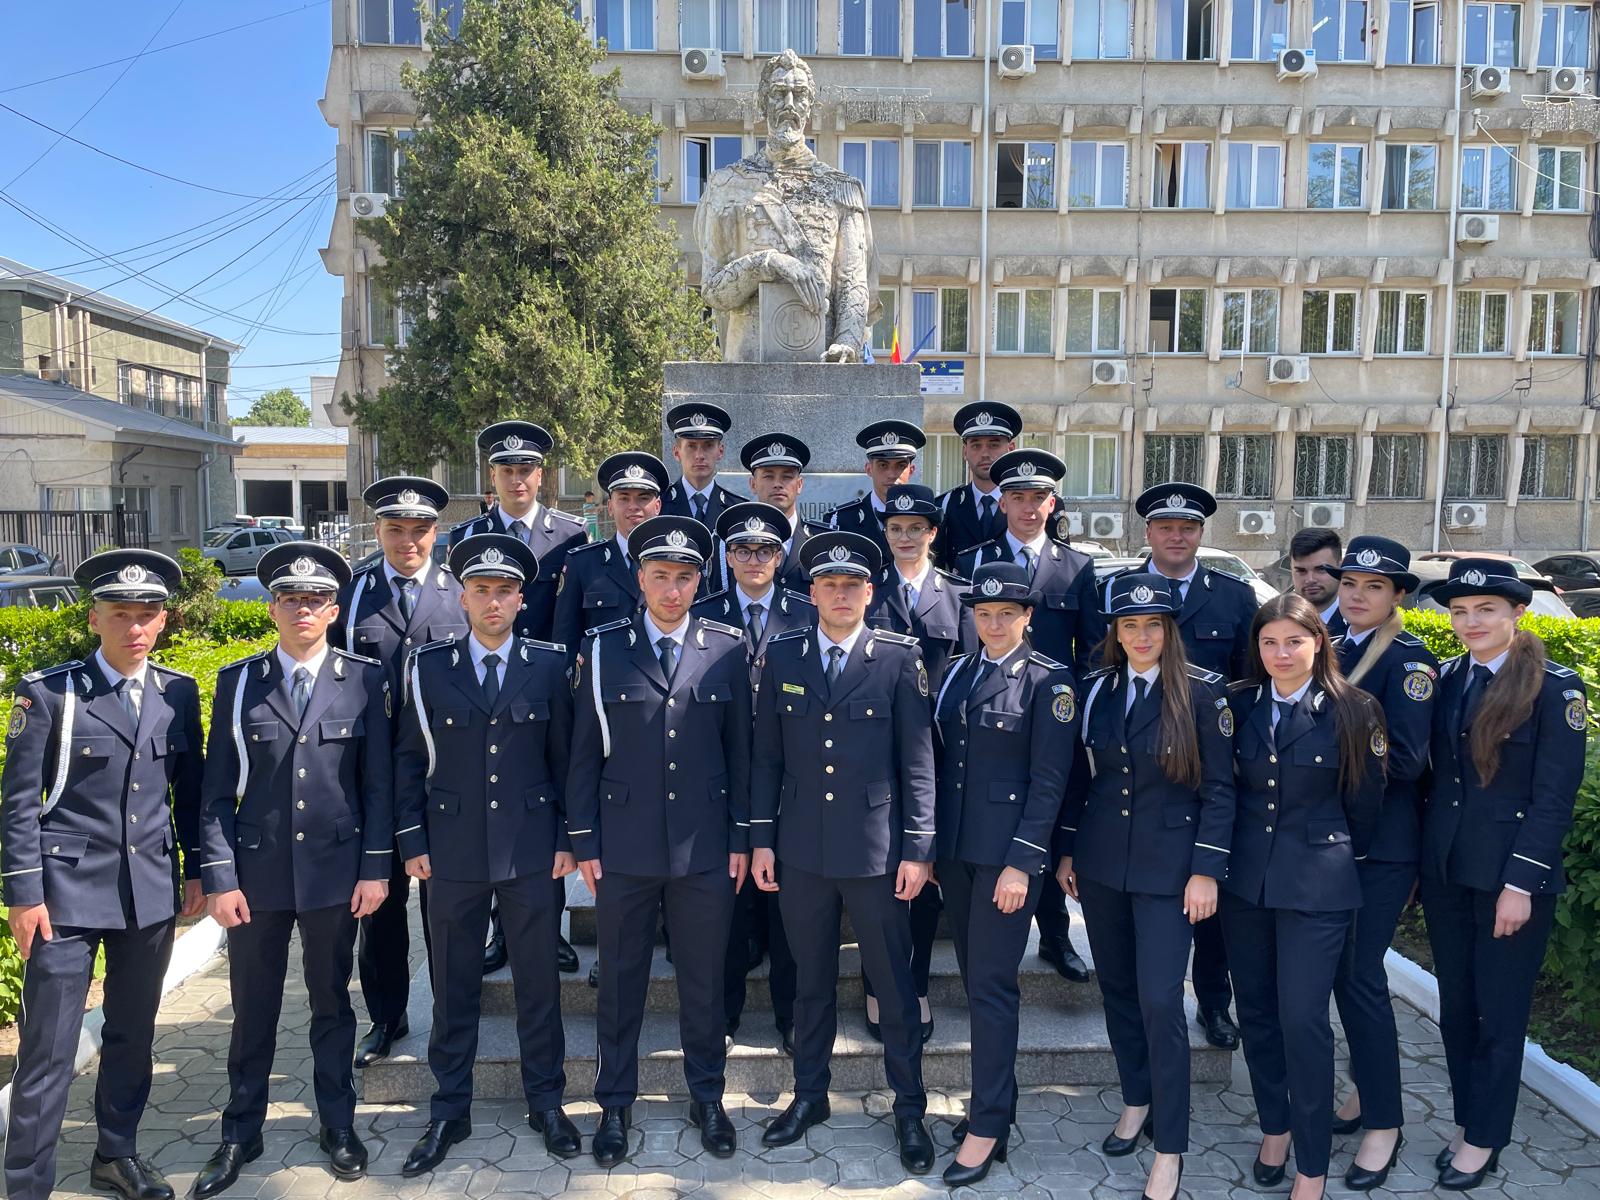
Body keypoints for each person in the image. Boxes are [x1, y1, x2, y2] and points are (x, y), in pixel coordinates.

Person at [192, 543, 394, 1196]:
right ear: (273, 609)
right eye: (290, 600)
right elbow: (216, 792)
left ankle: (338, 1123)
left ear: (334, 610)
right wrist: (220, 878)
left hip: (335, 872)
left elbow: (378, 786)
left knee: (333, 1003)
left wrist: (375, 869)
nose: (303, 609)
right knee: (253, 1006)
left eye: (315, 600)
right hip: (258, 877)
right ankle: (240, 1130)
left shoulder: (364, 680)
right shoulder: (239, 682)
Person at [1, 550, 203, 1200]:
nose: (135, 627)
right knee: (48, 1050)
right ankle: (27, 1182)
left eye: (147, 614)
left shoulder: (177, 692)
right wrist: (23, 894)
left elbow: (190, 796)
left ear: (164, 619)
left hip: (148, 894)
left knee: (132, 1035)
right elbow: (19, 803)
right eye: (120, 614)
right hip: (64, 898)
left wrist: (197, 871)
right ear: (94, 618)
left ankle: (116, 1155)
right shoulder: (50, 693)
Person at [392, 534, 581, 1174]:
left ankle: (546, 1101)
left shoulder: (550, 665)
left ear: (522, 599)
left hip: (532, 850)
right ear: (463, 598)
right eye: (481, 590)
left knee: (538, 983)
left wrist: (567, 839)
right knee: (453, 985)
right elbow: (408, 759)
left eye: (505, 591)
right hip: (451, 851)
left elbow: (566, 761)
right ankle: (450, 1108)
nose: (493, 601)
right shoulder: (427, 666)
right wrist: (412, 840)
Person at [750, 531, 938, 1176]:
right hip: (802, 850)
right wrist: (762, 839)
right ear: (811, 593)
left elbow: (918, 762)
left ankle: (909, 1108)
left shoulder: (898, 658)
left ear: (869, 592)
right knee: (810, 984)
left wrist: (918, 849)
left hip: (877, 853)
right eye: (828, 585)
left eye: (851, 585)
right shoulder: (785, 654)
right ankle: (810, 1095)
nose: (839, 594)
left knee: (894, 986)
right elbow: (767, 758)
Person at [567, 515, 752, 1165]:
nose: (673, 590)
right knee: (621, 981)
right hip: (624, 845)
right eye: (660, 576)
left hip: (705, 846)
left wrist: (741, 837)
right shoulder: (602, 648)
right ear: (639, 578)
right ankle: (614, 1103)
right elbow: (583, 754)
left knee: (704, 978)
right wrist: (585, 841)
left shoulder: (726, 648)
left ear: (700, 581)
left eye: (684, 577)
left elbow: (742, 753)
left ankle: (707, 1096)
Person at [1056, 573, 1235, 1200]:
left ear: (1169, 630)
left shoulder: (1203, 694)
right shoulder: (1097, 689)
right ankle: (1137, 1097)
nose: (1140, 636)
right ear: (1115, 631)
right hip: (1103, 864)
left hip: (1172, 871)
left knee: (1161, 999)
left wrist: (1207, 869)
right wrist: (1069, 850)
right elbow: (1082, 779)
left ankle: (1171, 1146)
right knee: (1119, 990)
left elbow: (1221, 790)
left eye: (1151, 625)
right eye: (1128, 625)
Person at [1422, 558, 1587, 1190]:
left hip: (1510, 881)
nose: (1470, 622)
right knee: (1458, 1008)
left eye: (1485, 610)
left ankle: (1485, 1138)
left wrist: (1520, 884)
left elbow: (1553, 799)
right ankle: (1469, 1119)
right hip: (1450, 871)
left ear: (1518, 612)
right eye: (1459, 611)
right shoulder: (1449, 677)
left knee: (1499, 1012)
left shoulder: (1553, 688)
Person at [1221, 594, 1385, 1200]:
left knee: (1303, 1018)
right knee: (1257, 1012)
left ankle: (1312, 1163)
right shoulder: (1237, 703)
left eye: (1294, 641)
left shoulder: (1354, 709)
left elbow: (1365, 804)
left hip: (1318, 884)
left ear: (1318, 643)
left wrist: (1334, 857)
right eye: (1269, 642)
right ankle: (1276, 1128)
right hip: (1247, 883)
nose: (1281, 653)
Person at [935, 562, 1078, 1186]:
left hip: (1006, 863)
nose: (993, 624)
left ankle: (989, 1124)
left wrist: (1023, 862)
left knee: (992, 989)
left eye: (1006, 614)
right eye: (983, 613)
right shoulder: (959, 671)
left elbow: (1050, 783)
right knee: (977, 984)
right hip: (959, 854)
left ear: (1027, 617)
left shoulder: (1049, 681)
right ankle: (998, 1102)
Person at [1108, 482, 1260, 1051]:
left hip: (1209, 763)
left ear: (1200, 534)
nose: (1177, 536)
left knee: (1209, 904)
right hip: (1141, 769)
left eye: (1188, 528)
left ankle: (1214, 1003)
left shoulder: (1233, 596)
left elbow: (1248, 679)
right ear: (1148, 532)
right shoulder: (1117, 590)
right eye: (1166, 527)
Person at [332, 476, 471, 1067]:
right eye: (395, 530)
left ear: (436, 533)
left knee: (446, 906)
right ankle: (387, 1017)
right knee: (379, 907)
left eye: (419, 530)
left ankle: (452, 1017)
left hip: (442, 774)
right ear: (378, 531)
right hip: (370, 773)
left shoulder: (460, 592)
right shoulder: (352, 593)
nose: (407, 541)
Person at [954, 448, 1100, 985]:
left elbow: (1092, 649)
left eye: (1038, 498)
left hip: (1055, 715)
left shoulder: (1077, 566)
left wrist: (1076, 711)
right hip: (997, 714)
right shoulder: (974, 561)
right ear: (1002, 503)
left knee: (1054, 819)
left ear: (1051, 503)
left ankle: (1056, 935)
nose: (1028, 507)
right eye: (1017, 497)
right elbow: (968, 641)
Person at [450, 424, 589, 978]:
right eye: (506, 470)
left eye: (526, 470)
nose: (517, 479)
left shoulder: (570, 535)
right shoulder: (466, 536)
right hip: (484, 685)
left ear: (541, 475)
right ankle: (499, 932)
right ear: (493, 475)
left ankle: (547, 932)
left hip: (542, 688)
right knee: (493, 805)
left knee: (540, 804)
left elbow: (570, 615)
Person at [1323, 537, 1436, 1190]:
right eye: (1350, 583)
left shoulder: (1408, 660)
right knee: (1343, 974)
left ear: (1398, 596)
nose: (1357, 595)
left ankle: (1385, 1125)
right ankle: (1366, 1091)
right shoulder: (1336, 645)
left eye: (1374, 586)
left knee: (1359, 975)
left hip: (1384, 845)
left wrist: (1322, 769)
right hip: (1337, 840)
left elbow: (1409, 759)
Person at [692, 501, 813, 1053]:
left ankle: (792, 1015)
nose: (754, 559)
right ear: (728, 556)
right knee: (727, 906)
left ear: (780, 556)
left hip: (790, 775)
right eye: (742, 549)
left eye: (765, 550)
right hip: (719, 773)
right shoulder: (704, 612)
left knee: (790, 911)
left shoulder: (805, 611)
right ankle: (724, 1013)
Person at [862, 482, 973, 1046]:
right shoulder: (868, 591)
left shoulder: (959, 596)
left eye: (915, 529)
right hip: (875, 756)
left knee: (924, 877)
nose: (904, 537)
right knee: (878, 879)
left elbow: (972, 676)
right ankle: (877, 986)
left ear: (932, 533)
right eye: (895, 528)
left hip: (940, 757)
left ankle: (918, 983)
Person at [551, 451, 669, 662]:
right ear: (610, 507)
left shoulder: (676, 564)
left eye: (643, 498)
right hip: (601, 679)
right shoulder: (583, 563)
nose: (633, 506)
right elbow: (566, 641)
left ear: (658, 506)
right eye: (624, 498)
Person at [719, 433, 826, 595]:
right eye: (768, 476)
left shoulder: (820, 540)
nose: (777, 484)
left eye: (787, 477)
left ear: (799, 485)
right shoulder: (727, 543)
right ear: (753, 484)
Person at [933, 402, 1019, 571]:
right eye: (976, 445)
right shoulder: (945, 505)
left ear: (1011, 449)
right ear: (965, 451)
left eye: (994, 445)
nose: (985, 453)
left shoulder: (1033, 505)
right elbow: (935, 568)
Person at [826, 420, 925, 563]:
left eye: (900, 465)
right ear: (869, 469)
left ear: (911, 470)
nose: (891, 474)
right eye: (883, 465)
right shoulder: (842, 520)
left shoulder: (927, 521)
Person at [660, 403, 743, 525]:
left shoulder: (737, 510)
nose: (699, 455)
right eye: (691, 446)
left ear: (720, 451)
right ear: (677, 452)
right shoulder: (659, 505)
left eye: (708, 445)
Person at [1290, 528, 1346, 637]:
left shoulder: (1359, 624)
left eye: (1321, 569)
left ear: (1340, 567)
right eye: (1301, 571)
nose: (1310, 579)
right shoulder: (1277, 621)